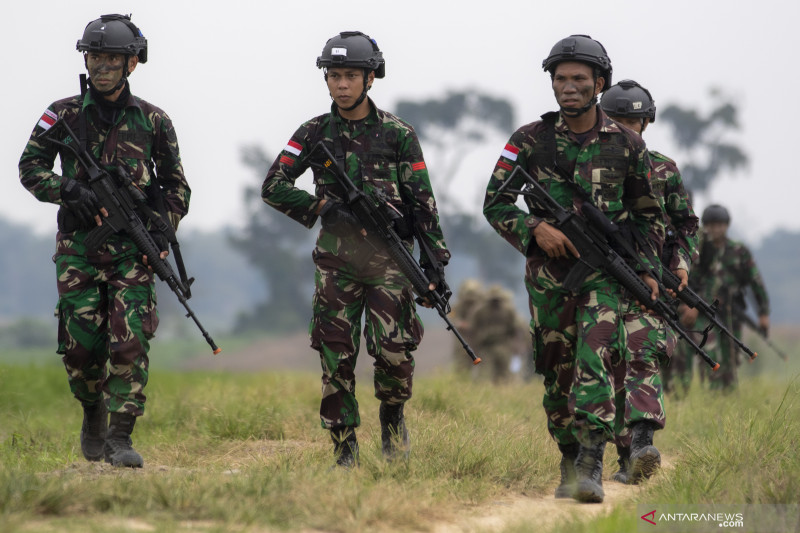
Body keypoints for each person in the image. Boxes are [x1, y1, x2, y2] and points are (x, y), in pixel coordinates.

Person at [483, 34, 665, 503]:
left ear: (599, 83)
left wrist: (646, 270)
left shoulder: (627, 143)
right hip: (549, 279)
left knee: (595, 357)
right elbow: (495, 203)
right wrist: (534, 229)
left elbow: (648, 217)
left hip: (604, 276)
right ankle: (568, 455)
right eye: (560, 79)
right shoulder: (528, 140)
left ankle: (591, 465)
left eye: (579, 79)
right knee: (556, 371)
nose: (568, 87)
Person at [261, 31, 451, 468]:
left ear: (370, 78)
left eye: (350, 76)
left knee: (393, 352)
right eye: (334, 76)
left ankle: (392, 418)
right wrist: (320, 207)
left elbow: (423, 203)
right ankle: (344, 447)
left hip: (390, 263)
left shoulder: (399, 134)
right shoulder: (313, 132)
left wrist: (435, 264)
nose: (341, 84)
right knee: (335, 354)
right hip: (336, 263)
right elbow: (273, 186)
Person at [18, 14, 190, 468]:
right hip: (78, 249)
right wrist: (66, 190)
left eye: (113, 58)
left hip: (133, 253)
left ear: (133, 63)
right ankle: (92, 410)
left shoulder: (154, 121)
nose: (102, 66)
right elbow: (29, 169)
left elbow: (176, 186)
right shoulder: (63, 114)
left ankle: (119, 436)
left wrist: (162, 225)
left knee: (129, 343)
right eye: (95, 56)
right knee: (80, 349)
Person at [600, 79, 699, 484]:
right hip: (600, 280)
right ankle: (619, 456)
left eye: (634, 121)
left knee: (643, 354)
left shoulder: (664, 168)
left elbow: (684, 225)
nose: (627, 127)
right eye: (618, 120)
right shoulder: (588, 166)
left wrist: (680, 265)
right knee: (606, 367)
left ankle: (641, 445)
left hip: (651, 284)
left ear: (646, 123)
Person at [682, 205, 769, 390]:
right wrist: (690, 306)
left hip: (730, 311)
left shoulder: (739, 251)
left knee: (731, 357)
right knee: (709, 352)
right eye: (711, 225)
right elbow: (688, 281)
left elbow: (756, 282)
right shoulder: (697, 250)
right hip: (704, 310)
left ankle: (728, 397)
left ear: (727, 226)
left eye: (719, 224)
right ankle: (712, 396)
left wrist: (763, 313)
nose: (715, 229)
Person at [469, 284, 520, 383]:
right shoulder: (480, 311)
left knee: (504, 374)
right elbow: (474, 328)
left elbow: (514, 329)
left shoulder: (508, 310)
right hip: (486, 347)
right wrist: (475, 345)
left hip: (503, 345)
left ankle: (504, 392)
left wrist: (515, 345)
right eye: (493, 299)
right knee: (486, 374)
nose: (495, 302)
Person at [449, 278, 485, 373]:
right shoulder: (458, 306)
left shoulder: (482, 307)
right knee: (462, 363)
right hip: (463, 338)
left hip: (478, 338)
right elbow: (453, 318)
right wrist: (461, 324)